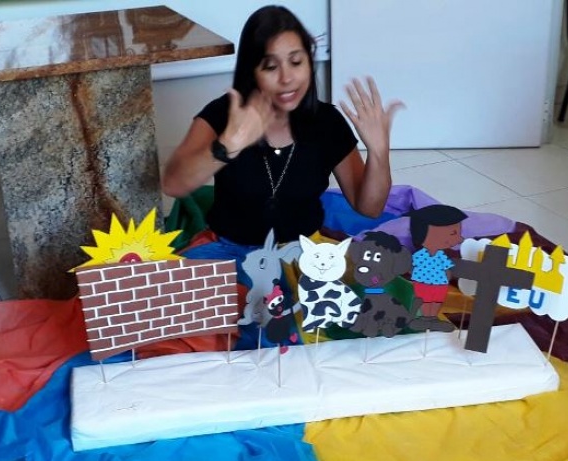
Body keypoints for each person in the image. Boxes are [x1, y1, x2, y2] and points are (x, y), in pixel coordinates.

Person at [161, 5, 401, 348]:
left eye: (296, 62)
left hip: (302, 255)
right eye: (271, 66)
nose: (287, 78)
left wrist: (378, 152)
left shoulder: (326, 122)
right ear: (252, 71)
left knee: (331, 324)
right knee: (168, 318)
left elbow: (370, 207)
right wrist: (228, 145)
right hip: (228, 250)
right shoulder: (224, 114)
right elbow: (174, 183)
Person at [407, 204, 468, 332]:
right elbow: (411, 266)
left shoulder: (441, 256)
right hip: (422, 283)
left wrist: (447, 276)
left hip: (440, 283)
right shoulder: (419, 255)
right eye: (453, 233)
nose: (460, 239)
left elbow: (447, 268)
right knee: (425, 301)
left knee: (436, 301)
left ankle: (432, 319)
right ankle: (425, 319)